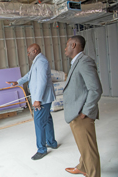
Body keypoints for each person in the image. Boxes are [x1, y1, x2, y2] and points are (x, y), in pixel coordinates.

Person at [6, 44, 57, 160]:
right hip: (44, 98)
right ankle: (52, 142)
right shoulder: (37, 61)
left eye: (29, 52)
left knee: (39, 123)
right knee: (47, 120)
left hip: (42, 99)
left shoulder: (41, 61)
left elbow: (42, 81)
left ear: (35, 51)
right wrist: (17, 82)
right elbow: (29, 75)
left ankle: (42, 149)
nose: (28, 55)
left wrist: (37, 99)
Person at [64, 35, 102, 177]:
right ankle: (82, 167)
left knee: (89, 150)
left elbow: (96, 89)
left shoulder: (85, 62)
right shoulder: (77, 62)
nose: (65, 48)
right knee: (83, 146)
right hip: (76, 112)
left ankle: (93, 173)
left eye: (67, 45)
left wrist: (85, 112)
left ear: (73, 45)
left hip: (82, 115)